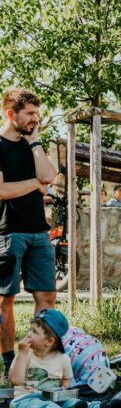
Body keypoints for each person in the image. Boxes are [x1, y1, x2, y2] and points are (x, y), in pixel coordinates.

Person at [0, 88, 58, 381]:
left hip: (39, 232)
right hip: (8, 232)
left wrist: (35, 141)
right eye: (30, 114)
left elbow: (48, 180)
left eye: (37, 113)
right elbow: (1, 191)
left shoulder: (31, 145)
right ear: (12, 114)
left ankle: (38, 359)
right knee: (5, 300)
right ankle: (7, 361)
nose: (36, 118)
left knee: (47, 296)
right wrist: (35, 182)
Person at [9, 309, 121, 408]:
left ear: (49, 342)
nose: (28, 334)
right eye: (30, 329)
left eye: (34, 331)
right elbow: (15, 380)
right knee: (42, 406)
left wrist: (63, 392)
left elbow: (66, 380)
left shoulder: (62, 358)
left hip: (53, 397)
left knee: (74, 402)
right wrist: (22, 353)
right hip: (26, 400)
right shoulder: (25, 355)